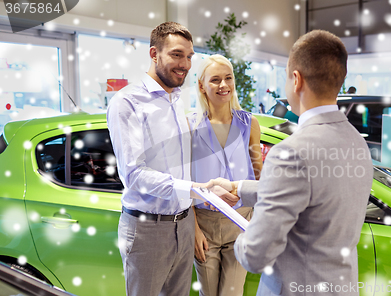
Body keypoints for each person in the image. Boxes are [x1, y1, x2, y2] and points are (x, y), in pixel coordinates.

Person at [212, 30, 373, 296]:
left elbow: (255, 255)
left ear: (296, 80)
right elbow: (314, 190)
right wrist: (239, 188)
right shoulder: (356, 141)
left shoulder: (292, 152)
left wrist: (242, 236)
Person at [107, 22, 207, 296]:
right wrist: (192, 189)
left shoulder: (176, 98)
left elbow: (182, 164)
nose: (185, 64)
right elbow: (134, 174)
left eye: (189, 57)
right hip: (147, 229)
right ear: (154, 54)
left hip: (184, 224)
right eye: (176, 54)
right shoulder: (127, 102)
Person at [188, 54, 263, 296]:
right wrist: (194, 229)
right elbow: (184, 182)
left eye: (228, 78)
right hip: (204, 222)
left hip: (241, 221)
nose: (223, 85)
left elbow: (260, 178)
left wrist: (257, 222)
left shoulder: (249, 123)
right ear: (201, 85)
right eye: (215, 80)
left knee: (232, 293)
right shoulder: (189, 125)